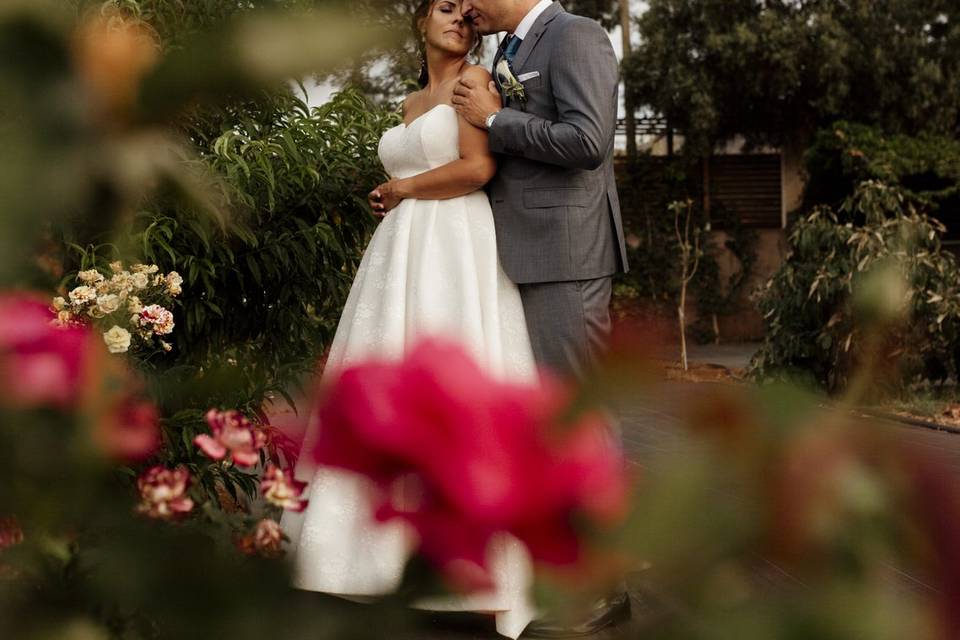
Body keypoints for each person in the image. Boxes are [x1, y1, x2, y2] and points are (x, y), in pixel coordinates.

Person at [280, 1, 538, 638]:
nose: (459, 17)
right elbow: (418, 165)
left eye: (466, 12)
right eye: (444, 7)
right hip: (400, 252)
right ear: (420, 19)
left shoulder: (474, 83)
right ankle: (369, 562)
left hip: (454, 246)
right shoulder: (406, 102)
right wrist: (393, 194)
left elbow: (478, 169)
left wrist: (398, 190)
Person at [452, 0, 630, 635]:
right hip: (519, 255)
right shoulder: (507, 51)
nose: (467, 4)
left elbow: (589, 140)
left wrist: (497, 119)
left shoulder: (575, 35)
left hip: (565, 254)